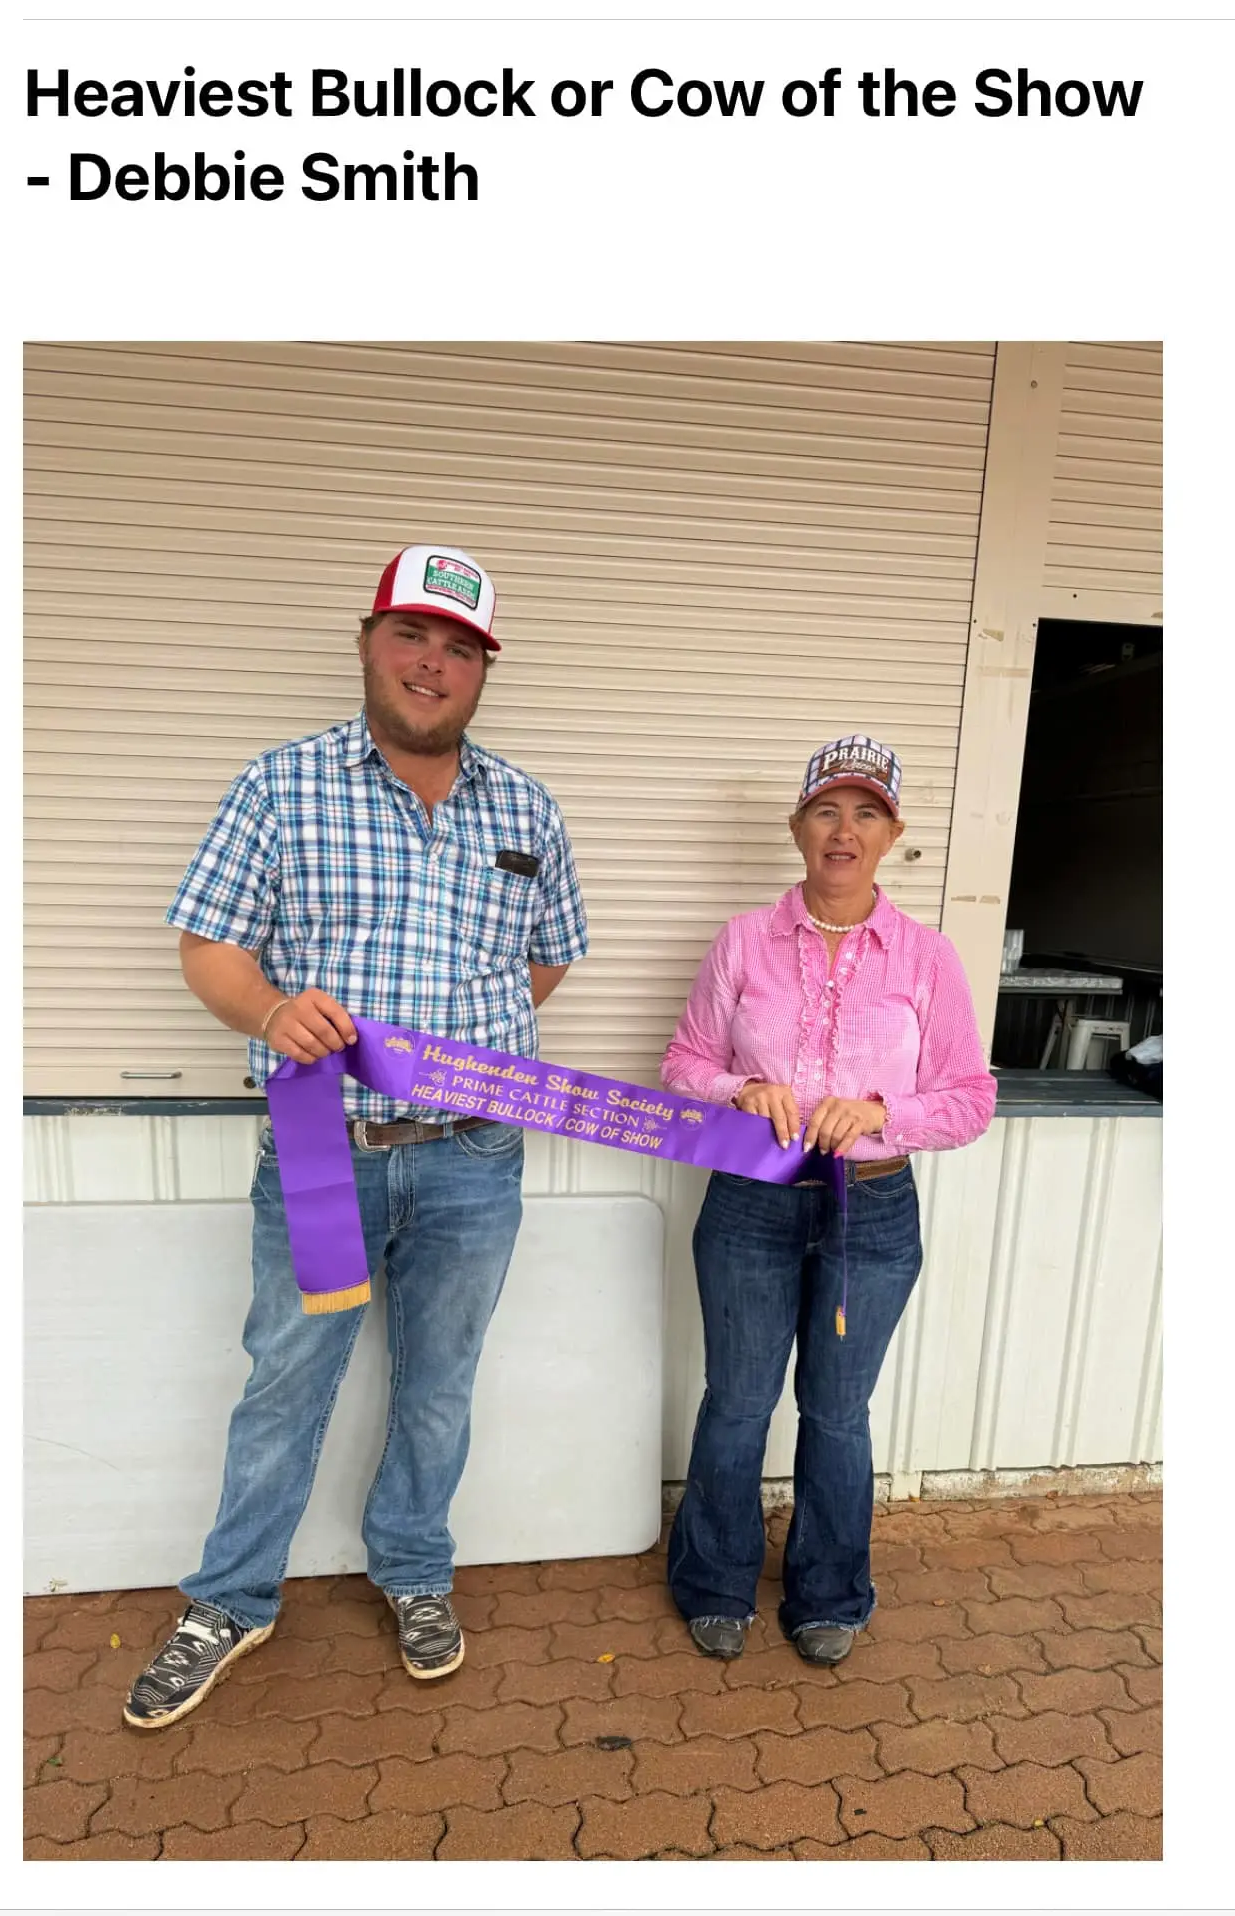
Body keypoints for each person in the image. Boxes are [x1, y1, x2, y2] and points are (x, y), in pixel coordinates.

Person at [124, 544, 587, 1728]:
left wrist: (465, 1046)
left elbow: (545, 959)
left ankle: (415, 1568)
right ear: (369, 643)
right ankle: (231, 1597)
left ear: (484, 670)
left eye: (461, 648)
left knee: (440, 1383)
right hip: (321, 1147)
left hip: (476, 1155)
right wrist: (272, 1012)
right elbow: (209, 945)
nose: (434, 663)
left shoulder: (527, 807)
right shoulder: (281, 785)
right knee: (287, 1380)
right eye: (412, 635)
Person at [660, 735, 995, 1665]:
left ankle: (829, 1592)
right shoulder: (743, 941)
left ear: (892, 833)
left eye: (866, 813)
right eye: (827, 811)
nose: (844, 831)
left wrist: (884, 1112)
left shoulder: (926, 958)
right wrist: (737, 1090)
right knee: (738, 1400)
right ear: (798, 826)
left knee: (838, 1411)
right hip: (751, 1203)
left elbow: (971, 1098)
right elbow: (684, 1063)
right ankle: (714, 1579)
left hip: (871, 1212)